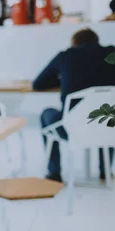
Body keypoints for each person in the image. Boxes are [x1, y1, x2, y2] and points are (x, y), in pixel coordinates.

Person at [33, 28, 115, 182]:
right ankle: (106, 171)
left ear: (75, 43)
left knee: (46, 114)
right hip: (107, 128)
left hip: (71, 128)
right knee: (107, 116)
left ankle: (54, 173)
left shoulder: (66, 56)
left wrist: (64, 77)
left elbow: (38, 84)